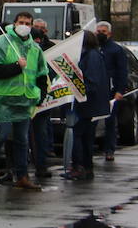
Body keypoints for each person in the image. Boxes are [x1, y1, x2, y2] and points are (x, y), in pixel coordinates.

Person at [0, 12, 45, 190]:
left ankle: (21, 176)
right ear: (14, 23)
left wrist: (41, 96)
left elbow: (41, 74)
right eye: (21, 22)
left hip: (24, 100)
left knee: (22, 140)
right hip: (4, 100)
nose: (24, 25)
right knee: (1, 135)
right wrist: (15, 67)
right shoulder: (2, 43)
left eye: (27, 23)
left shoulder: (34, 48)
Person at [64, 31, 109, 181]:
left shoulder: (91, 56)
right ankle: (86, 167)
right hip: (92, 104)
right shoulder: (94, 55)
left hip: (88, 104)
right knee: (86, 137)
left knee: (79, 135)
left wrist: (79, 91)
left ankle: (79, 167)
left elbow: (91, 81)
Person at [95, 21, 129, 162]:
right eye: (98, 31)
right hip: (96, 91)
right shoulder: (93, 48)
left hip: (111, 91)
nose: (100, 34)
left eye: (103, 32)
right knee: (92, 121)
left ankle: (109, 150)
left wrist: (120, 90)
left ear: (109, 33)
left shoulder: (116, 50)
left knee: (110, 122)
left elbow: (122, 71)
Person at [29, 18, 56, 179]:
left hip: (40, 98)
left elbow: (48, 75)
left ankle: (40, 164)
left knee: (40, 132)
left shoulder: (50, 49)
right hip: (29, 97)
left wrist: (42, 96)